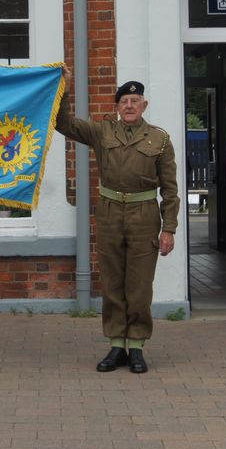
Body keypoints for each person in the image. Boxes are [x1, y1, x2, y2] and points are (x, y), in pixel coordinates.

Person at [55, 68, 180, 374]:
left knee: (139, 285)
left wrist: (169, 229)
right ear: (117, 106)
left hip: (144, 216)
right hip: (110, 213)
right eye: (124, 101)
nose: (129, 105)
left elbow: (170, 189)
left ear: (144, 105)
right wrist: (64, 88)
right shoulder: (102, 132)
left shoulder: (160, 139)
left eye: (135, 101)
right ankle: (115, 346)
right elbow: (64, 124)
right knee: (112, 282)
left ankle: (136, 347)